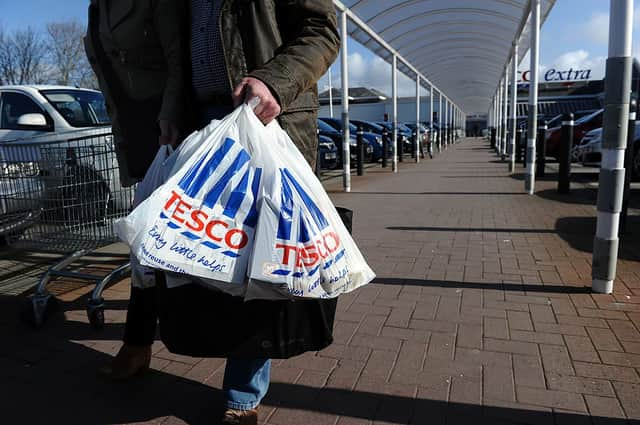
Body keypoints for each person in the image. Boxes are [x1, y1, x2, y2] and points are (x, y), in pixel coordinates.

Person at [90, 1, 341, 425]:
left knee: (256, 268)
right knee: (203, 254)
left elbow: (323, 31)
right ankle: (169, 343)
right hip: (201, 121)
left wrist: (274, 82)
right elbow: (178, 54)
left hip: (263, 117)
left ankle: (243, 395)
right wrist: (172, 112)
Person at [84, 0, 186, 378]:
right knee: (145, 243)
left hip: (166, 127)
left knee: (161, 239)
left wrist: (171, 114)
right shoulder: (98, 7)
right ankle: (138, 341)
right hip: (132, 130)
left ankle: (143, 338)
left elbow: (178, 59)